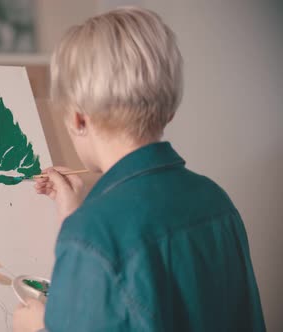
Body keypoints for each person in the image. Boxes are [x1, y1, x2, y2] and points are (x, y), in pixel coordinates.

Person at [13, 7, 266, 332]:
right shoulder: (217, 202)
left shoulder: (92, 233)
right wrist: (73, 215)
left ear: (78, 119)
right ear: (170, 111)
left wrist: (36, 327)